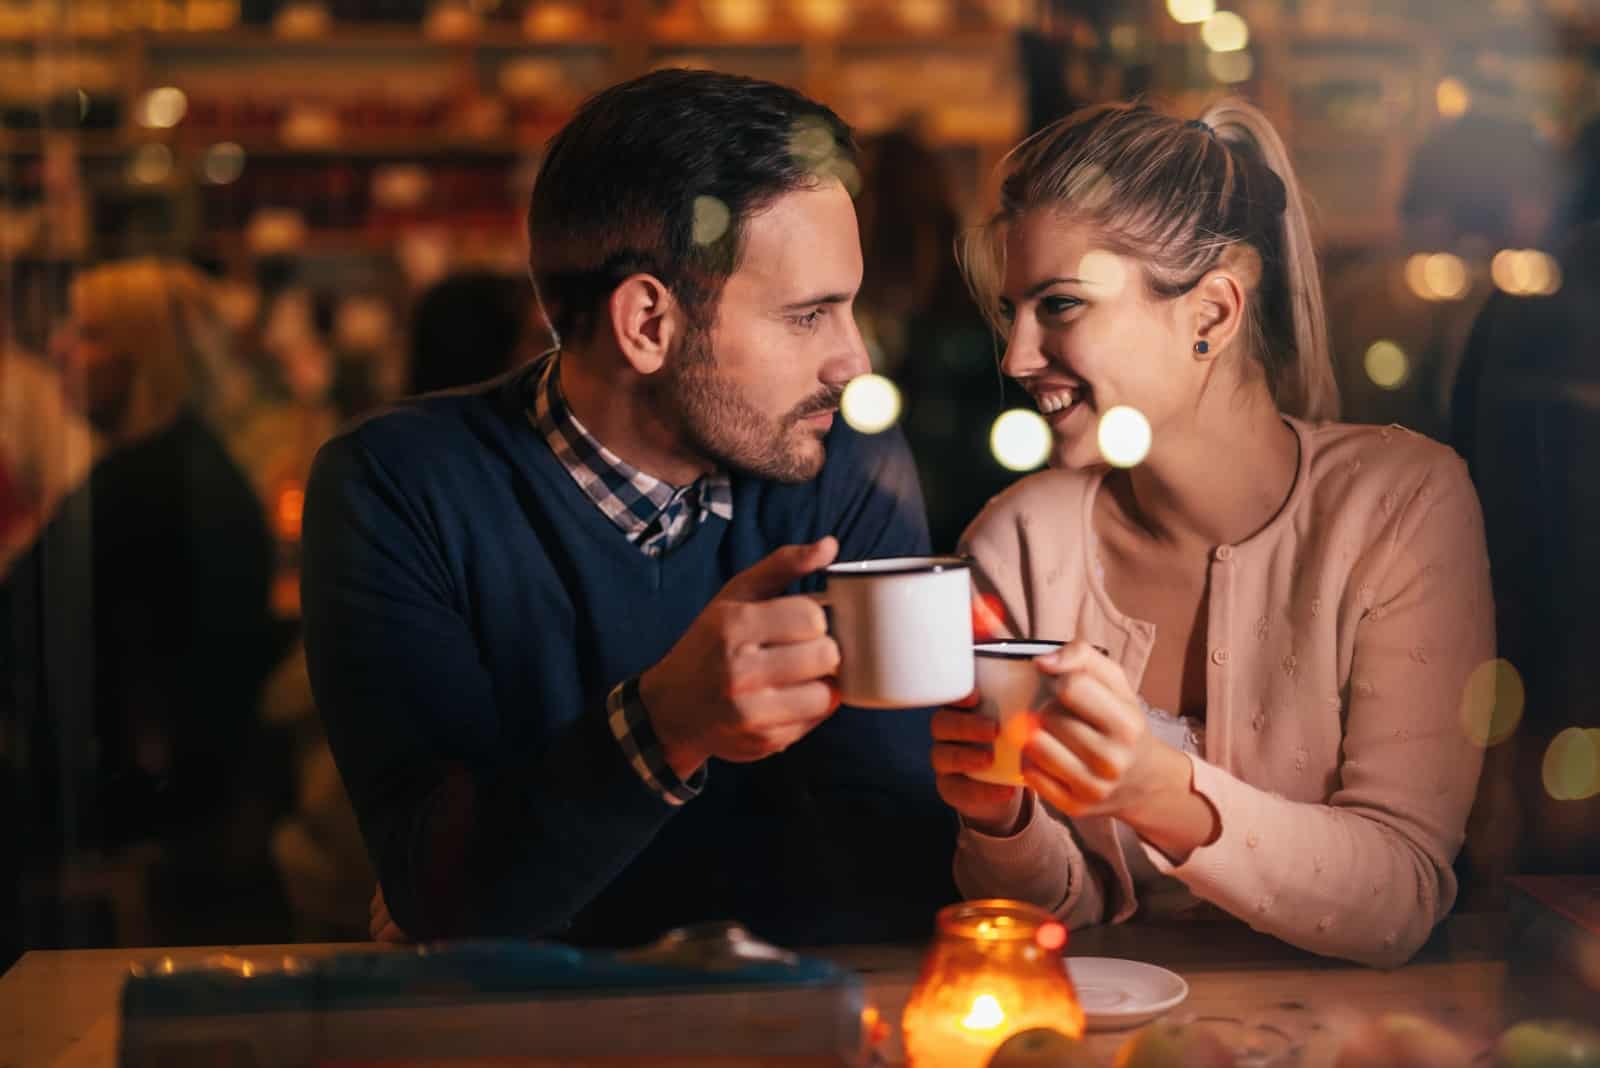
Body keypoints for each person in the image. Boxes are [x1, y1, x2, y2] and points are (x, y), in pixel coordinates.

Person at [301, 69, 957, 948]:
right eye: (809, 317)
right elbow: (444, 902)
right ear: (647, 324)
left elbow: (893, 864)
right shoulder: (398, 489)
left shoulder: (845, 464)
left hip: (789, 1022)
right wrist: (665, 723)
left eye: (851, 309)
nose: (854, 363)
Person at [930, 100, 1494, 968]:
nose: (1015, 357)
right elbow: (1060, 918)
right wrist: (998, 817)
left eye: (1061, 306)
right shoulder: (1017, 542)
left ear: (1213, 313)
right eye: (1014, 312)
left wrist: (1160, 789)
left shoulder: (1400, 505)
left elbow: (1403, 893)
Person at [5, 258, 284, 945]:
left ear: (144, 360)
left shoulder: (145, 488)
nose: (62, 348)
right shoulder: (179, 466)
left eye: (91, 334)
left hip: (122, 824)